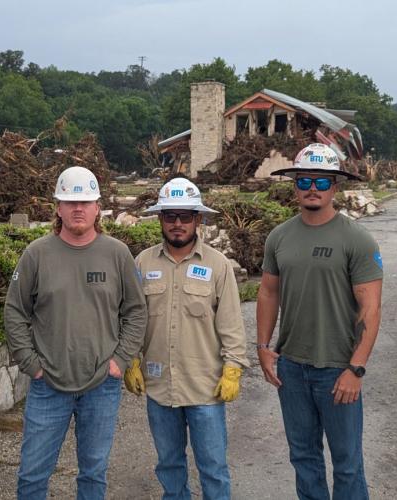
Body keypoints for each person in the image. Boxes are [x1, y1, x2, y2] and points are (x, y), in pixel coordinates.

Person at [4, 166, 148, 500]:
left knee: (94, 475)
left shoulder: (117, 254)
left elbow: (136, 311)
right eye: (70, 201)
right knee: (31, 476)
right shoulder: (36, 254)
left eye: (85, 201)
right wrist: (32, 364)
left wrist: (121, 360)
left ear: (98, 207)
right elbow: (15, 311)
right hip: (47, 385)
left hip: (102, 385)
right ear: (58, 207)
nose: (78, 208)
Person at [255, 143, 383, 500]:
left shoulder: (356, 239)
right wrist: (264, 347)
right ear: (295, 184)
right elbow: (267, 292)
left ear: (335, 187)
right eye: (305, 180)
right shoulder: (279, 237)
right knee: (304, 458)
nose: (313, 188)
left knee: (347, 463)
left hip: (337, 368)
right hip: (292, 367)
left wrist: (355, 369)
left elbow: (371, 310)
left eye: (322, 182)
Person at [126, 177, 247, 500]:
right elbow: (133, 318)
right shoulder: (142, 263)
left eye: (185, 216)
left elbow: (232, 324)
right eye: (170, 216)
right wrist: (131, 360)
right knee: (169, 465)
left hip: (205, 388)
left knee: (213, 467)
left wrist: (233, 368)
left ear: (199, 220)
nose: (177, 224)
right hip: (160, 387)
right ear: (160, 220)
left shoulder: (217, 265)